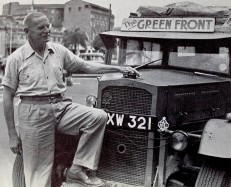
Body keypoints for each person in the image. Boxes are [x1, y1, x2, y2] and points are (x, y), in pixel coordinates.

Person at [2, 12, 139, 187]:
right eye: (41, 28)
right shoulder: (17, 58)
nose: (47, 30)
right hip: (34, 114)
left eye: (48, 26)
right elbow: (7, 96)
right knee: (39, 174)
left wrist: (119, 68)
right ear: (27, 31)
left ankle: (78, 169)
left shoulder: (58, 51)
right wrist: (12, 135)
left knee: (97, 117)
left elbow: (86, 66)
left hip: (60, 106)